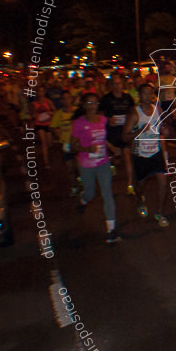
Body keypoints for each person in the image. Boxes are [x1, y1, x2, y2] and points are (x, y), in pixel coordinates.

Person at [71, 93, 121, 243]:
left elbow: (102, 139)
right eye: (90, 103)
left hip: (103, 162)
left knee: (107, 193)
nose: (93, 106)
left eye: (95, 103)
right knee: (90, 193)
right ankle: (83, 200)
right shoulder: (79, 123)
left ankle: (111, 230)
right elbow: (73, 145)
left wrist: (112, 147)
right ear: (84, 105)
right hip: (87, 164)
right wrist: (87, 150)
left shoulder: (103, 119)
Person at [124, 84, 170, 228]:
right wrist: (140, 131)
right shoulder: (134, 113)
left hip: (156, 153)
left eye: (150, 93)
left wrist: (164, 130)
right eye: (144, 93)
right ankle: (139, 200)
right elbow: (124, 137)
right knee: (141, 185)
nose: (147, 96)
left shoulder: (157, 110)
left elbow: (160, 128)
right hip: (140, 155)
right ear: (139, 95)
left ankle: (160, 212)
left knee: (163, 183)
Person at [99, 73, 137, 193]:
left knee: (127, 156)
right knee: (114, 156)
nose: (117, 86)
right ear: (111, 85)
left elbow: (133, 112)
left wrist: (131, 121)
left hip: (125, 131)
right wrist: (108, 119)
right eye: (114, 84)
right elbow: (99, 115)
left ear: (122, 84)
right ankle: (112, 163)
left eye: (119, 83)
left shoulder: (127, 98)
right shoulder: (106, 99)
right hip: (111, 133)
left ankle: (130, 184)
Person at [51, 91, 81, 195]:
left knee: (78, 165)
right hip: (66, 144)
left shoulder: (77, 111)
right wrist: (56, 132)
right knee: (70, 168)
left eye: (68, 98)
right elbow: (53, 127)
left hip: (77, 143)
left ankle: (80, 180)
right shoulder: (58, 114)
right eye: (64, 99)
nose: (66, 101)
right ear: (61, 101)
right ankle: (74, 186)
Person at [30, 87, 56, 168]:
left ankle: (49, 154)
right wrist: (34, 116)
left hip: (48, 124)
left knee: (49, 143)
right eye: (39, 91)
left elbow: (55, 111)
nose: (41, 93)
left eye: (42, 91)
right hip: (39, 124)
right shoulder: (33, 103)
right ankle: (46, 161)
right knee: (43, 143)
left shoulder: (48, 101)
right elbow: (31, 114)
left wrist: (50, 114)